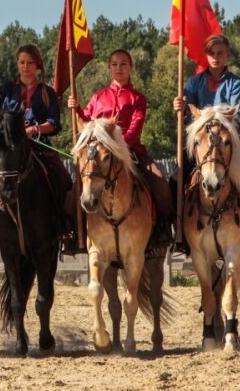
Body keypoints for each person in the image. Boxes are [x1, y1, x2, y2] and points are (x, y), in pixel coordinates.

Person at [0, 44, 76, 254]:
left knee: (63, 179)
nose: (25, 67)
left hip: (39, 147)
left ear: (37, 65)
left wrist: (34, 130)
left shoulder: (47, 92)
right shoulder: (6, 90)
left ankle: (66, 230)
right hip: (6, 150)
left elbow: (54, 123)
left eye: (30, 63)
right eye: (22, 62)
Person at [173, 34, 240, 251]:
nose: (216, 57)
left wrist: (207, 117)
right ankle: (178, 228)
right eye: (211, 53)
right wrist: (180, 109)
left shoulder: (235, 83)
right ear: (206, 56)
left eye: (220, 53)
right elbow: (188, 116)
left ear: (227, 55)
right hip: (201, 143)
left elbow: (234, 115)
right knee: (176, 178)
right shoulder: (192, 83)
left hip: (228, 140)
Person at [67, 49, 174, 249]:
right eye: (115, 64)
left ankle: (162, 228)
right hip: (98, 155)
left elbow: (135, 128)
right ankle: (74, 232)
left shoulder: (138, 99)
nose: (119, 68)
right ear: (109, 68)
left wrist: (117, 148)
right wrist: (76, 108)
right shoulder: (98, 97)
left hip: (131, 151)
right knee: (76, 188)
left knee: (160, 182)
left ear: (130, 68)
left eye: (123, 64)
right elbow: (85, 122)